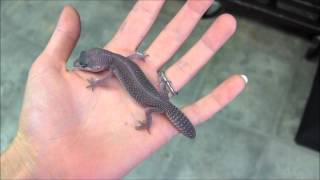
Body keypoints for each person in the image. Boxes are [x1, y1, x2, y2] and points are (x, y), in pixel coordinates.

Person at [0, 1, 247, 179]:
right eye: (83, 63)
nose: (81, 66)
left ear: (101, 63)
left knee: (152, 110)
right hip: (159, 97)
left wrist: (96, 84)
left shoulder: (111, 69)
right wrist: (138, 57)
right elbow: (130, 57)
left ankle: (148, 123)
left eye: (85, 65)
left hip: (156, 104)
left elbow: (106, 78)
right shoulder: (117, 59)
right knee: (160, 100)